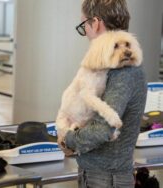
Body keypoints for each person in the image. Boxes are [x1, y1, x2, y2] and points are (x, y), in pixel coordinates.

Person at [58, 0, 147, 187]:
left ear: (96, 23)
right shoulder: (109, 67)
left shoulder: (124, 71)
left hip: (107, 178)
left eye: (85, 25)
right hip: (100, 174)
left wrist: (67, 138)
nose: (86, 34)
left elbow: (103, 129)